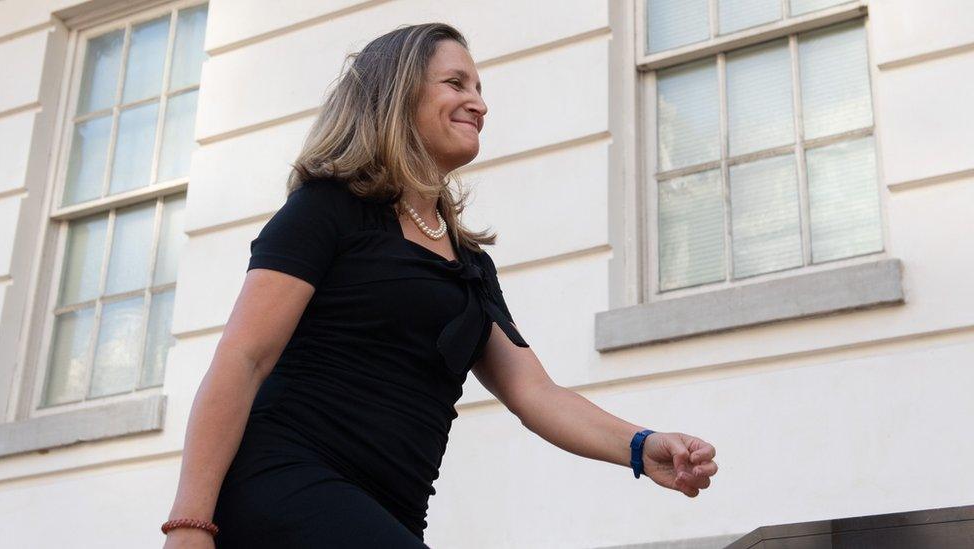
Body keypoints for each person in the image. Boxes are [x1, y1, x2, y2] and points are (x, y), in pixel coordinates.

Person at [162, 22, 718, 549]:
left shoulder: (469, 263)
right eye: (456, 83)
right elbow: (243, 358)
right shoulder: (327, 209)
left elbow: (536, 395)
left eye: (479, 88)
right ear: (397, 95)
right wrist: (189, 522)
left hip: (390, 510)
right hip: (287, 478)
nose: (479, 102)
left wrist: (642, 448)